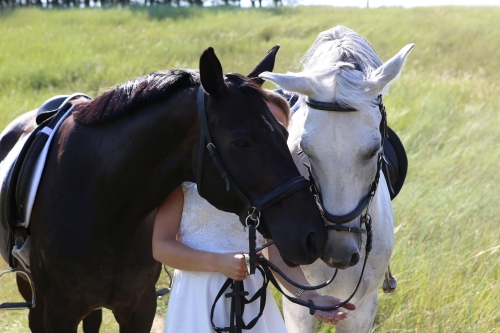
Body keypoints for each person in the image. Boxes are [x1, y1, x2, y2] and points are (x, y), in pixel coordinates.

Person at [152, 90, 355, 332]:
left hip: (251, 299)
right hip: (196, 299)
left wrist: (311, 297)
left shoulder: (270, 188)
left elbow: (278, 256)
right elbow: (161, 246)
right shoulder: (189, 177)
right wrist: (218, 262)